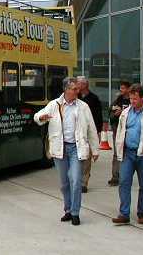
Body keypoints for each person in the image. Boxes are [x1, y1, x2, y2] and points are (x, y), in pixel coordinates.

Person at [34, 77, 100, 226]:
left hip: (76, 148)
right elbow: (37, 116)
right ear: (66, 89)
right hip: (60, 148)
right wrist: (41, 117)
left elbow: (91, 129)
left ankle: (75, 213)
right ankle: (68, 210)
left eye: (78, 88)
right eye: (74, 89)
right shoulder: (54, 104)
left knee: (76, 180)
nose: (78, 91)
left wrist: (95, 149)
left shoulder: (83, 106)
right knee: (64, 184)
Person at [112, 84, 143, 225]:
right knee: (124, 182)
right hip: (128, 152)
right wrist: (119, 148)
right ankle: (124, 213)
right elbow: (121, 131)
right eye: (130, 98)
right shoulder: (125, 113)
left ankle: (142, 213)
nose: (132, 101)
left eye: (135, 99)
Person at [77, 76, 103, 193]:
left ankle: (84, 182)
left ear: (85, 85)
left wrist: (97, 131)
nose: (76, 86)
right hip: (77, 132)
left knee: (87, 157)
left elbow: (98, 116)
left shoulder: (94, 99)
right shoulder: (75, 98)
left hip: (89, 132)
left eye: (78, 84)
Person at [108, 81, 131, 186]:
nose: (121, 90)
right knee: (117, 153)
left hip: (129, 129)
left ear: (129, 89)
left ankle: (125, 175)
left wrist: (123, 112)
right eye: (120, 88)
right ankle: (115, 176)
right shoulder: (118, 100)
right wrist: (115, 113)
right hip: (117, 128)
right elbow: (111, 112)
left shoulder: (132, 100)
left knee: (127, 153)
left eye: (123, 88)